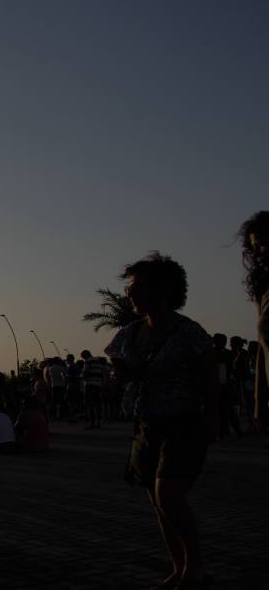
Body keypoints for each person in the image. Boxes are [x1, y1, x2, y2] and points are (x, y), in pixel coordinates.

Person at [105, 252, 218, 590]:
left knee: (168, 493)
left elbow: (210, 378)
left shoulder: (189, 332)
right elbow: (115, 367)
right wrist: (120, 373)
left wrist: (213, 419)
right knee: (158, 503)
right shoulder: (130, 332)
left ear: (163, 290)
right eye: (129, 288)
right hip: (145, 422)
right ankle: (179, 568)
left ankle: (195, 566)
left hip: (182, 422)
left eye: (137, 286)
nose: (130, 294)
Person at [239, 212, 269, 433]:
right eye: (254, 246)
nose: (259, 252)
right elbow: (262, 347)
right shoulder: (264, 290)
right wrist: (260, 401)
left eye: (263, 244)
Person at [81, 350, 106, 430]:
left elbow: (85, 373)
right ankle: (98, 423)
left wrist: (81, 375)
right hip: (98, 384)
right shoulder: (99, 362)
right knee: (97, 405)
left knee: (90, 404)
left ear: (85, 356)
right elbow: (102, 374)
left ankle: (92, 423)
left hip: (90, 384)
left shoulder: (88, 362)